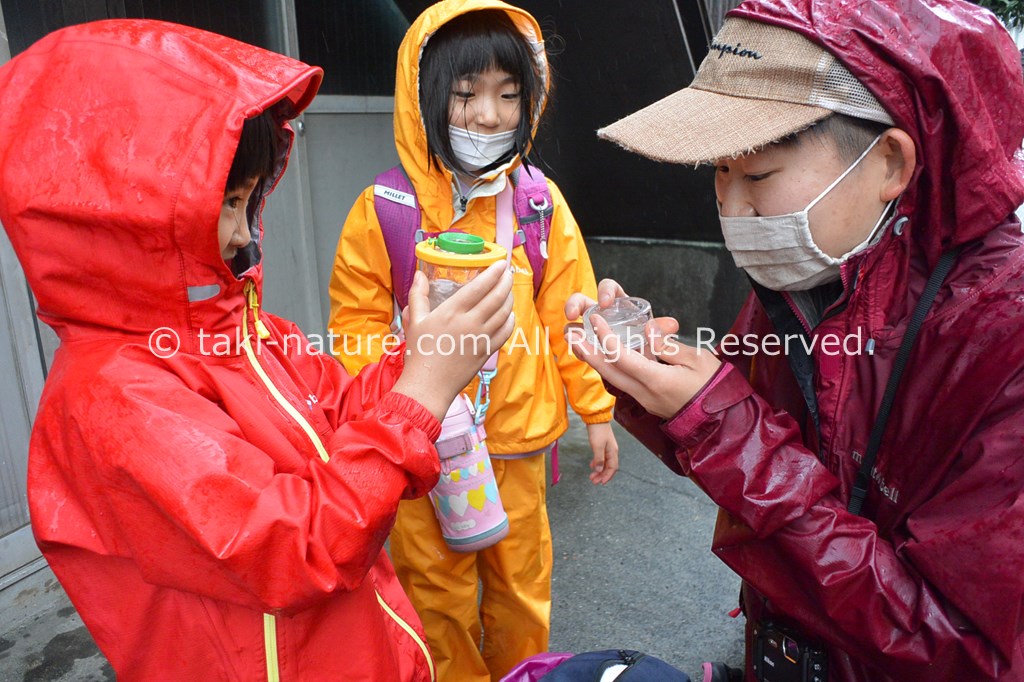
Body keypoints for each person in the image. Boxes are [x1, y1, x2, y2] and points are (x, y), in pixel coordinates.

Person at [0, 19, 515, 681]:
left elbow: (342, 416)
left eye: (249, 200)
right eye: (227, 203)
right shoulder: (112, 400)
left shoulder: (245, 335)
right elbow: (294, 548)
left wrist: (415, 357)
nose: (244, 234)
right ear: (119, 220)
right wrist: (422, 393)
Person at [566, 0, 1024, 680]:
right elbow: (745, 444)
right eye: (719, 171)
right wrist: (655, 386)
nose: (731, 208)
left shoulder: (1002, 337)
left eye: (757, 175)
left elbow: (963, 649)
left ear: (891, 162)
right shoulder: (803, 276)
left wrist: (722, 426)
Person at [327, 1, 619, 679]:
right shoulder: (386, 210)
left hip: (517, 441)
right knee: (435, 596)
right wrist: (391, 410)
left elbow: (568, 316)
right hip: (421, 448)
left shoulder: (540, 206)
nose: (489, 116)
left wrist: (597, 409)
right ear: (423, 98)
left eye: (509, 95)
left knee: (521, 589)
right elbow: (354, 328)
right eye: (466, 93)